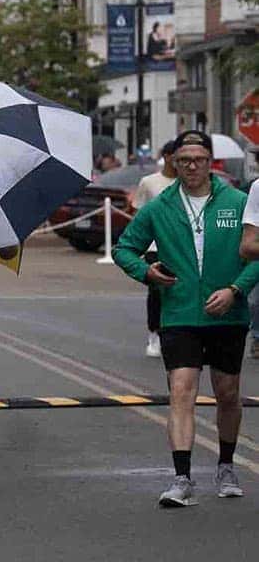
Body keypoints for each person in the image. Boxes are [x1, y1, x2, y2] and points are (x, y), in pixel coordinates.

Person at [119, 130, 256, 507]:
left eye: (198, 160)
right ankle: (181, 478)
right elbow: (124, 248)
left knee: (227, 393)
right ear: (173, 164)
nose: (191, 166)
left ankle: (226, 466)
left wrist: (235, 290)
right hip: (179, 312)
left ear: (210, 163)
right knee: (181, 390)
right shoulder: (159, 207)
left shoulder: (238, 202)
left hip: (228, 314)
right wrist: (146, 272)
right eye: (184, 161)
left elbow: (256, 254)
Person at [133, 140, 180, 359]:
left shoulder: (186, 183)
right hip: (154, 246)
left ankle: (177, 334)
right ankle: (154, 334)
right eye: (176, 156)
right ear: (167, 157)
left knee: (181, 289)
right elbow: (139, 215)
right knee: (156, 291)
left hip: (182, 245)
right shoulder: (149, 182)